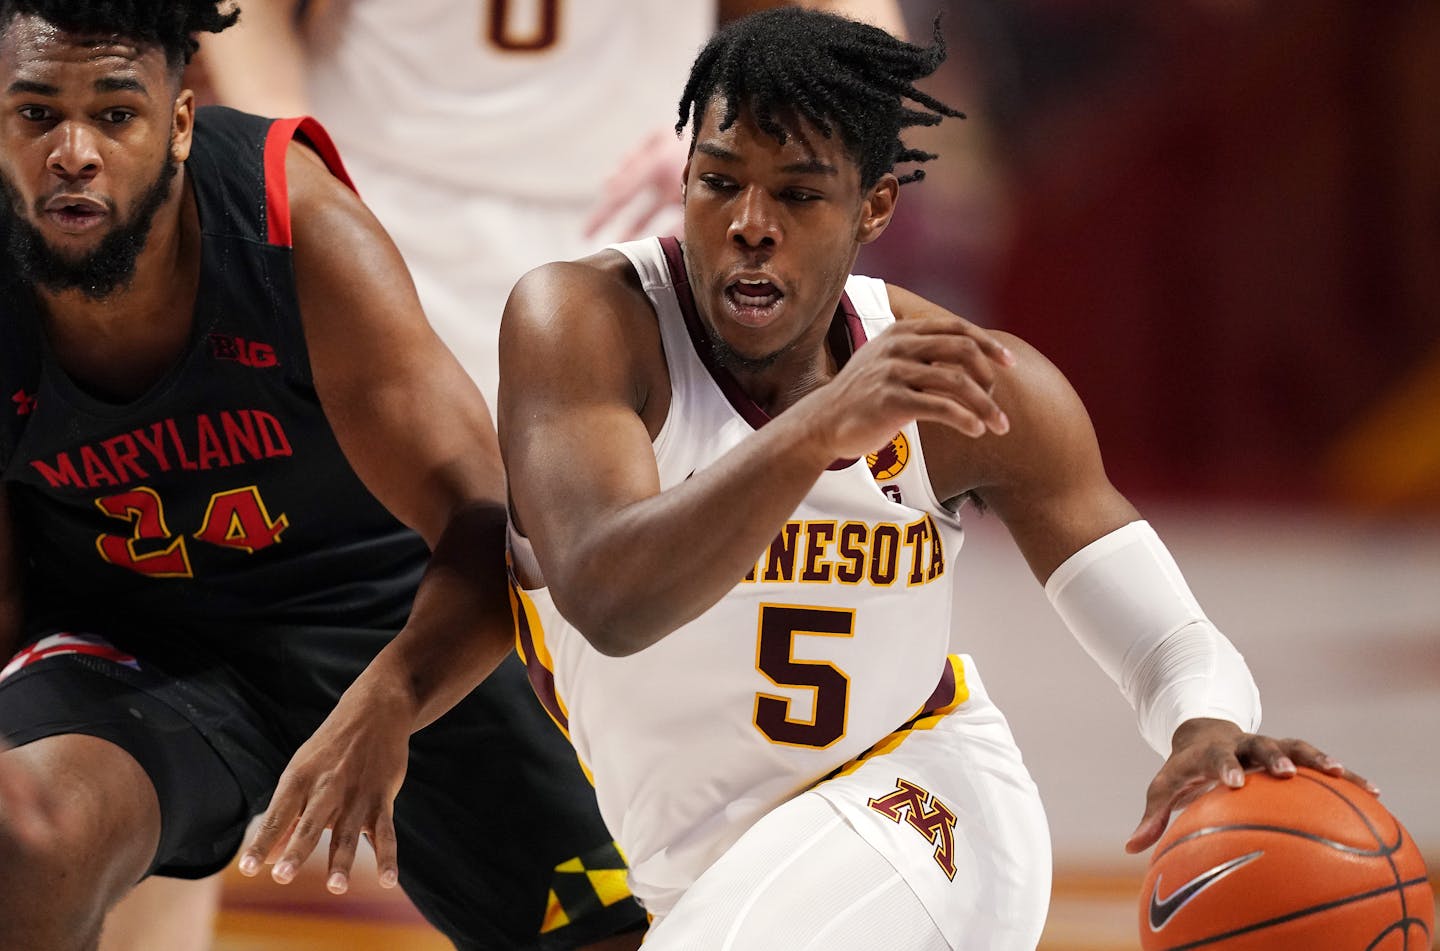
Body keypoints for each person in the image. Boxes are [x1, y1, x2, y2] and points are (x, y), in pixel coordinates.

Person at [496, 8, 1377, 949]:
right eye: (720, 183)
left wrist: (1203, 726)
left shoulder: (971, 387)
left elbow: (1169, 639)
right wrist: (818, 429)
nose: (750, 226)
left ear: (874, 208)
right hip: (709, 878)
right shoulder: (585, 322)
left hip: (924, 818)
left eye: (798, 195)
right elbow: (608, 595)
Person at [0, 2, 644, 949]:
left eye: (116, 113)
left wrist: (394, 697)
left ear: (179, 122)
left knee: (611, 932)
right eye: (35, 113)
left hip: (371, 618)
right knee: (27, 840)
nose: (74, 151)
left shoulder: (293, 225)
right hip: (127, 641)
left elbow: (488, 520)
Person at [197, 0, 907, 411]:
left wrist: (762, 119)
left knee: (632, 604)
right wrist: (295, 165)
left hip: (641, 226)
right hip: (375, 214)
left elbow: (860, 32)